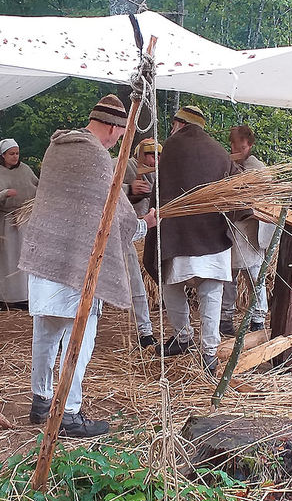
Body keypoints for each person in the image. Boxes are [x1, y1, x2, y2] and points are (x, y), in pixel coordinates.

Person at [20, 94, 157, 437]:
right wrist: (144, 224)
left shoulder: (57, 148)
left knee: (46, 332)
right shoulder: (96, 154)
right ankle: (68, 413)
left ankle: (41, 401)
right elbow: (115, 208)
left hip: (46, 256)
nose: (117, 141)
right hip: (77, 262)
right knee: (80, 337)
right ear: (111, 127)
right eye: (119, 133)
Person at [143, 106, 238, 375]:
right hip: (212, 236)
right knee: (211, 292)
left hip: (179, 234)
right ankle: (209, 353)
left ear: (179, 124)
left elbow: (160, 190)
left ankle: (182, 338)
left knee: (171, 285)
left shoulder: (172, 147)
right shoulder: (219, 151)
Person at [220, 125, 273, 336]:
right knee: (228, 276)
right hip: (232, 230)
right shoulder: (227, 166)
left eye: (241, 146)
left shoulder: (258, 169)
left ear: (249, 145)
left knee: (254, 276)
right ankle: (225, 319)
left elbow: (266, 200)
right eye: (234, 145)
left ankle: (258, 320)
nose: (237, 150)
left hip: (251, 232)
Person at [0, 138, 38, 312]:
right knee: (3, 259)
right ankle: (0, 298)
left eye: (17, 153)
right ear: (3, 155)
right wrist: (4, 194)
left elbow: (36, 186)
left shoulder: (25, 170)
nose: (15, 157)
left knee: (22, 259)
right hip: (3, 222)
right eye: (11, 154)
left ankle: (22, 297)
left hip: (22, 220)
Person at [120, 138, 161, 348]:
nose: (154, 159)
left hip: (148, 230)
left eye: (157, 155)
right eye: (150, 155)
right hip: (122, 231)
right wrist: (130, 189)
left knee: (138, 283)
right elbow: (113, 193)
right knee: (134, 281)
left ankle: (144, 330)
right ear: (140, 154)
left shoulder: (159, 171)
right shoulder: (124, 166)